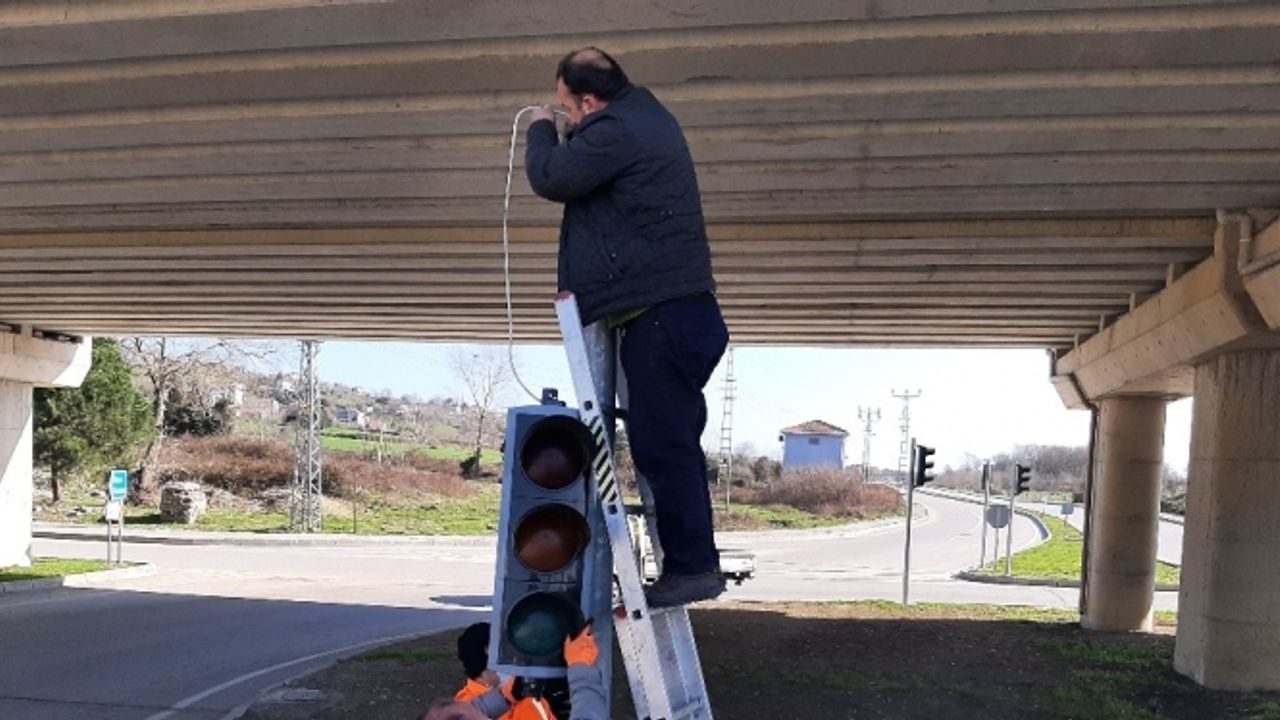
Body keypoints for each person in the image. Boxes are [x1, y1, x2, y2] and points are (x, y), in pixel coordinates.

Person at [526, 47, 729, 608]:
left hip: (665, 315)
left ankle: (693, 568)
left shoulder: (618, 130)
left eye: (569, 107)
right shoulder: (643, 119)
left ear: (589, 101)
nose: (568, 117)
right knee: (667, 442)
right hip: (672, 314)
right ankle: (689, 564)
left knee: (663, 445)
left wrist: (541, 129)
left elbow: (551, 177)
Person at [424, 626, 606, 720]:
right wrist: (581, 668)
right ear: (489, 650)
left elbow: (479, 708)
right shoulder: (465, 704)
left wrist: (506, 695)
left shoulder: (463, 708)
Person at [451, 622, 558, 719]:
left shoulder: (524, 689)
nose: (512, 652)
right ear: (489, 650)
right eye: (505, 646)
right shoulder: (466, 706)